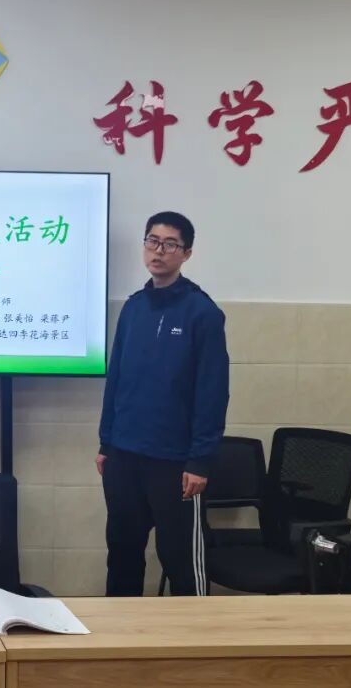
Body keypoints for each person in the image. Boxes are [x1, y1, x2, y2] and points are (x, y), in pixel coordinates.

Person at [96, 211, 229, 597]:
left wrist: (199, 461)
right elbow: (116, 379)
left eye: (170, 245)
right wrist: (106, 442)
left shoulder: (202, 313)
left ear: (186, 254)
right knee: (122, 554)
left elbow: (213, 392)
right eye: (152, 241)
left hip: (174, 463)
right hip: (123, 456)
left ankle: (193, 633)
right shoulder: (133, 308)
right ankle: (120, 632)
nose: (158, 251)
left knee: (181, 561)